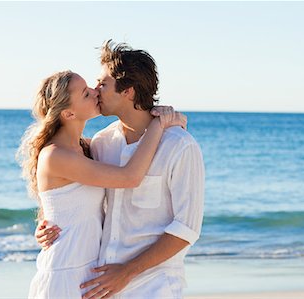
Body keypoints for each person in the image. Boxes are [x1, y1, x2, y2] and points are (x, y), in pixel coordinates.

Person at [36, 40, 205, 299]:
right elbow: (64, 189)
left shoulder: (180, 146)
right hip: (97, 285)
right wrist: (46, 222)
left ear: (128, 91)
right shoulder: (102, 144)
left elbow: (187, 229)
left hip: (153, 286)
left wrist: (127, 271)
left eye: (102, 84)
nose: (95, 90)